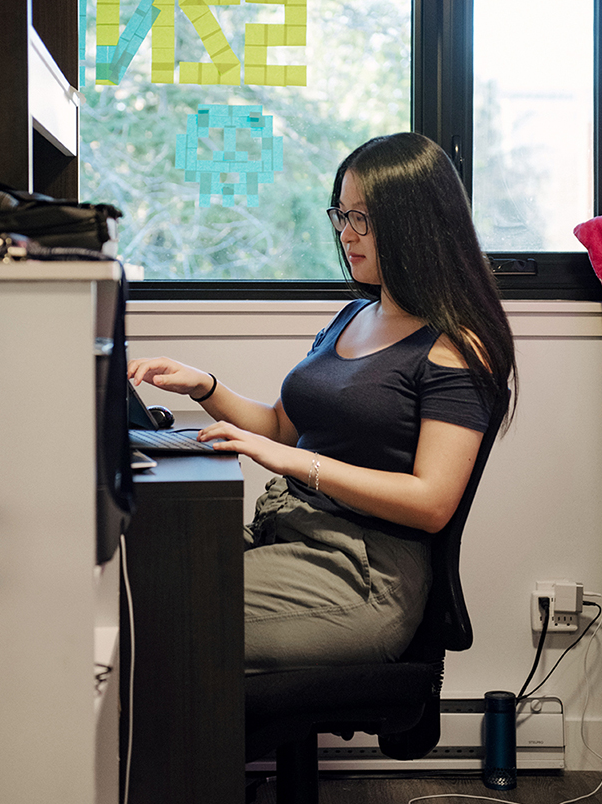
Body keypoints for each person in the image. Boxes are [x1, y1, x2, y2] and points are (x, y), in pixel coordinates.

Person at [127, 132, 516, 675]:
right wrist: (206, 388)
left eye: (364, 219)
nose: (347, 234)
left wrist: (298, 465)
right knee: (134, 582)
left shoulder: (454, 345)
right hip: (289, 534)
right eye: (343, 215)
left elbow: (431, 501)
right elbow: (283, 429)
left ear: (416, 225)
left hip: (363, 572)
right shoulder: (353, 316)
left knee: (158, 616)